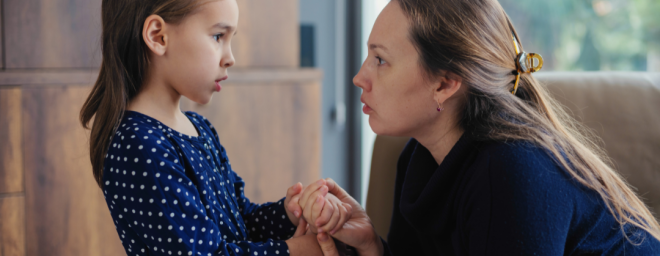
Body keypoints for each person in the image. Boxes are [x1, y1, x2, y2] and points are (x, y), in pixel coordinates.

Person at [298, 0, 660, 255]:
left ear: (445, 84)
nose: (359, 77)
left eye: (380, 60)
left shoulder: (514, 172)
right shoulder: (418, 158)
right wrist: (371, 247)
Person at [78, 0, 350, 255]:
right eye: (218, 36)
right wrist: (297, 250)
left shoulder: (199, 128)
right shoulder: (138, 146)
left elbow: (239, 223)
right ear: (158, 36)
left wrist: (290, 213)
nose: (230, 57)